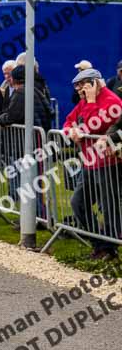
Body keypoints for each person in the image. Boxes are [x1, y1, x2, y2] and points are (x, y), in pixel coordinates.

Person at [65, 68, 122, 260]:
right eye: (77, 86)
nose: (79, 90)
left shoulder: (111, 101)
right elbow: (69, 122)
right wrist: (72, 131)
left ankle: (110, 248)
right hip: (89, 163)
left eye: (82, 85)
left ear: (95, 83)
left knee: (109, 207)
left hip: (109, 163)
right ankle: (100, 244)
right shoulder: (84, 102)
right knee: (78, 203)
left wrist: (90, 102)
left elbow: (94, 125)